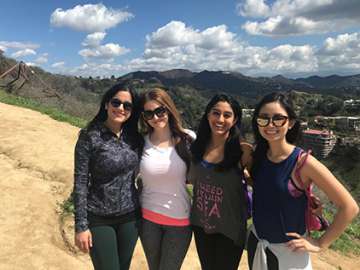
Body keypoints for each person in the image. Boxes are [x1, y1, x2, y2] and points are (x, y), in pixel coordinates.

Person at [248, 92, 359, 270]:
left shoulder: (303, 162)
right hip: (257, 242)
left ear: (291, 123)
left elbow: (349, 207)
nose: (270, 125)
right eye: (263, 118)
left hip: (289, 255)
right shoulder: (259, 155)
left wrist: (320, 243)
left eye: (278, 119)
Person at [73, 81, 143, 270]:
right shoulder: (90, 136)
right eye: (116, 102)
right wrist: (81, 225)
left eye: (127, 105)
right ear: (106, 104)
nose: (121, 108)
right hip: (99, 217)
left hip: (130, 216)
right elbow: (80, 182)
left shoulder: (134, 137)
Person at [189, 94, 252, 270]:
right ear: (208, 115)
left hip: (230, 229)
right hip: (201, 224)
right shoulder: (197, 147)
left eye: (227, 115)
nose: (220, 119)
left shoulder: (243, 151)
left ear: (235, 119)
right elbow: (192, 179)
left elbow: (261, 184)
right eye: (216, 113)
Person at [138, 88, 195, 270]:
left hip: (179, 221)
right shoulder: (141, 143)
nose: (155, 117)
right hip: (147, 220)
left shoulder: (188, 139)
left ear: (169, 109)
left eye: (160, 111)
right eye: (149, 113)